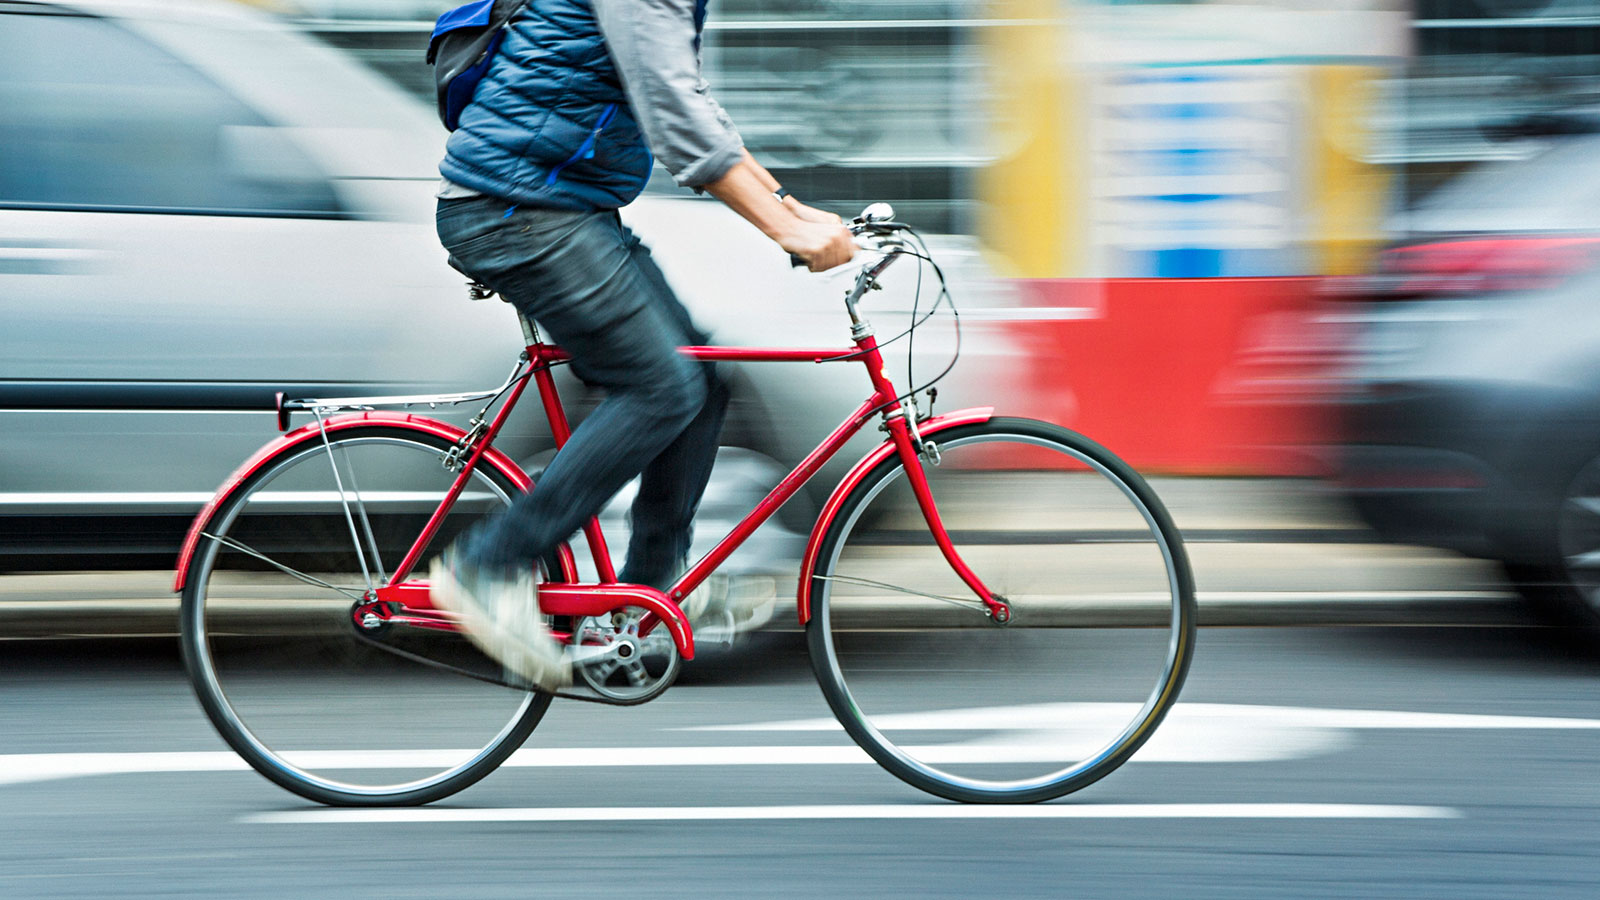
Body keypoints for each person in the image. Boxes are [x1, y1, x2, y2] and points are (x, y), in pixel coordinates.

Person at [428, 0, 855, 689]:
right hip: (518, 209)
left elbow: (688, 96)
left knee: (702, 380)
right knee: (662, 387)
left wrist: (788, 203)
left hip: (560, 206)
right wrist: (783, 230)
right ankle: (489, 566)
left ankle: (643, 602)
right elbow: (677, 117)